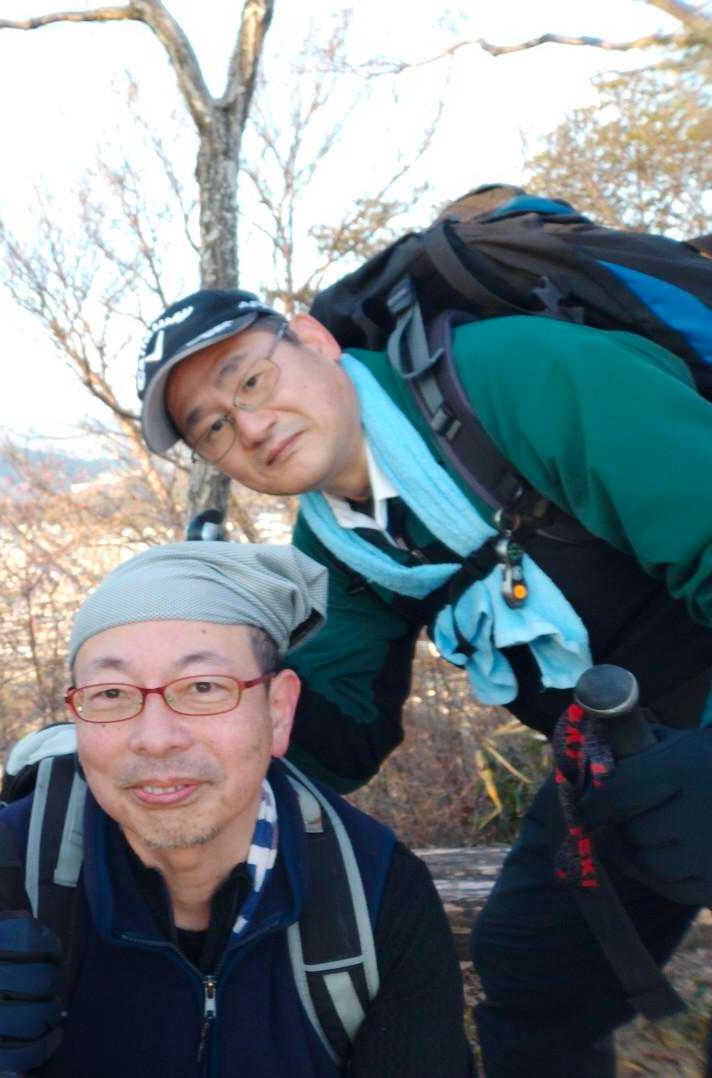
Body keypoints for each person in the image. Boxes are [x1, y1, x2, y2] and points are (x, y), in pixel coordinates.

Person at [137, 286, 712, 1074]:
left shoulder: (517, 377)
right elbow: (339, 730)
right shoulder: (338, 542)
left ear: (313, 339)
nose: (252, 427)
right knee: (535, 971)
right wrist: (195, 722)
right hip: (614, 748)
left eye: (251, 380)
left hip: (690, 712)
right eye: (213, 428)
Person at [0, 542, 470, 1076]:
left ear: (278, 711)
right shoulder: (15, 870)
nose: (156, 739)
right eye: (111, 694)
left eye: (202, 688)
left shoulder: (372, 891)